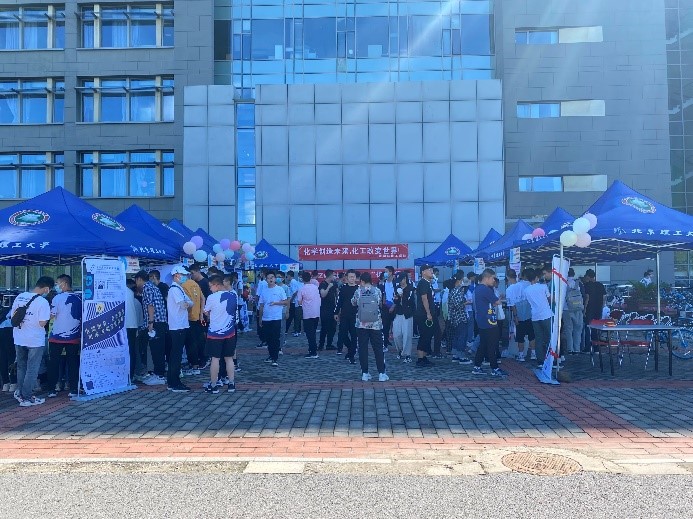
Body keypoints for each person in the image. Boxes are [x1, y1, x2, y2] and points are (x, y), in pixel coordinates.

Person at [11, 276, 53, 406]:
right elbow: (42, 323)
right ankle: (27, 397)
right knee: (32, 369)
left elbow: (13, 316)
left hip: (19, 337)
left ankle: (20, 393)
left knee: (21, 366)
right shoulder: (43, 302)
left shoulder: (20, 297)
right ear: (46, 289)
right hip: (34, 340)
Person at [47, 275, 82, 398]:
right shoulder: (79, 298)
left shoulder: (57, 298)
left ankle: (51, 389)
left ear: (64, 284)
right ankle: (73, 389)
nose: (56, 286)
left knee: (54, 363)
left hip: (57, 336)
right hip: (74, 336)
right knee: (73, 363)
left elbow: (51, 315)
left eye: (57, 283)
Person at [203, 275, 238, 393]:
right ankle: (231, 383)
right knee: (229, 358)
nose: (210, 289)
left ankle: (214, 385)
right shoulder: (233, 295)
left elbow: (206, 312)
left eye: (210, 286)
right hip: (230, 332)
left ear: (217, 285)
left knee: (215, 359)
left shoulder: (211, 297)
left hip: (215, 333)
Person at [351, 272, 388, 381]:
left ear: (362, 281)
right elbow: (380, 303)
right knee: (378, 348)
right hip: (375, 324)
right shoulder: (377, 291)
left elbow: (353, 303)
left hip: (361, 324)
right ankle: (381, 373)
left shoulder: (358, 291)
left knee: (363, 348)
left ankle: (365, 373)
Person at [471, 269, 507, 377]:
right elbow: (496, 302)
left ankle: (477, 366)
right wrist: (500, 299)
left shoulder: (478, 288)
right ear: (486, 278)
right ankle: (494, 368)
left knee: (483, 344)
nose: (494, 280)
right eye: (492, 278)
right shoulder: (486, 289)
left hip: (482, 320)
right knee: (492, 344)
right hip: (489, 320)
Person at [135, 270, 167, 386]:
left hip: (155, 322)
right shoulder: (153, 286)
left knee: (157, 349)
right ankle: (158, 373)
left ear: (139, 279)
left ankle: (159, 375)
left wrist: (150, 322)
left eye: (136, 281)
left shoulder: (147, 288)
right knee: (157, 349)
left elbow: (150, 305)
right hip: (160, 321)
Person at [166, 266, 193, 392]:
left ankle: (173, 381)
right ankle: (174, 382)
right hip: (177, 326)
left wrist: (187, 303)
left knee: (176, 355)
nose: (185, 277)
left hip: (181, 325)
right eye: (183, 275)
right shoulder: (174, 289)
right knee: (176, 356)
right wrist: (186, 304)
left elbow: (190, 302)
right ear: (176, 275)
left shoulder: (179, 288)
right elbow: (183, 305)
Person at [258, 271, 289, 366]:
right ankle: (271, 355)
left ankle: (275, 358)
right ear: (266, 280)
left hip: (276, 318)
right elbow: (261, 305)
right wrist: (260, 318)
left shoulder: (280, 289)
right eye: (268, 278)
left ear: (275, 279)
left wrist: (276, 303)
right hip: (266, 318)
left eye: (272, 277)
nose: (270, 279)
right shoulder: (264, 291)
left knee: (275, 338)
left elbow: (286, 302)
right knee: (268, 339)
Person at [524, 268, 553, 366]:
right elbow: (550, 299)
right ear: (536, 277)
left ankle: (540, 360)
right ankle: (550, 358)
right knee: (549, 337)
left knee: (538, 338)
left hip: (535, 316)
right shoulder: (543, 286)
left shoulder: (526, 290)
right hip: (546, 314)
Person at [505, 269, 534, 362]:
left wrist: (515, 316)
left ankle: (521, 355)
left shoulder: (509, 289)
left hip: (518, 313)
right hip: (528, 311)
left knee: (520, 336)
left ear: (507, 277)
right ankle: (533, 353)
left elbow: (512, 304)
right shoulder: (523, 284)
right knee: (531, 334)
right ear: (516, 276)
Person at [182, 271, 204, 375]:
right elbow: (203, 298)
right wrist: (201, 313)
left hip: (188, 318)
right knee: (197, 341)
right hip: (197, 317)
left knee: (190, 343)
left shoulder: (183, 286)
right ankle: (197, 363)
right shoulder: (195, 284)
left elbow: (185, 303)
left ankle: (194, 366)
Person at [334, 269, 359, 362]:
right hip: (344, 315)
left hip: (355, 316)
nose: (352, 278)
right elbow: (339, 301)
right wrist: (336, 312)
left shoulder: (359, 289)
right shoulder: (343, 288)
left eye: (353, 277)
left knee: (354, 336)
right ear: (347, 278)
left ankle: (351, 355)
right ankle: (351, 349)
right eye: (350, 277)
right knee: (342, 334)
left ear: (356, 278)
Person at [448, 272, 472, 365]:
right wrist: (466, 302)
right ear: (459, 281)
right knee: (462, 336)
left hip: (454, 317)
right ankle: (461, 356)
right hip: (460, 317)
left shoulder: (453, 290)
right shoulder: (458, 290)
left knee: (457, 336)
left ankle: (456, 355)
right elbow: (458, 305)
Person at [415, 264, 435, 367]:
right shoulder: (423, 283)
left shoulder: (428, 283)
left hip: (428, 314)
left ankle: (424, 357)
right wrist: (428, 313)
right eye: (429, 270)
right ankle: (420, 359)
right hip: (423, 314)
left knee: (428, 335)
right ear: (423, 272)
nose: (431, 271)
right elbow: (424, 299)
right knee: (424, 335)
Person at [392, 272, 415, 362]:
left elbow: (410, 302)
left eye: (401, 280)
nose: (400, 282)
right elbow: (395, 301)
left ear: (405, 279)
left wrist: (402, 297)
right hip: (398, 313)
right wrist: (396, 299)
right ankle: (400, 350)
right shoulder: (397, 288)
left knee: (407, 335)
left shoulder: (410, 289)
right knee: (396, 335)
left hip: (407, 314)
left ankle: (407, 354)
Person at [297, 271, 321, 358]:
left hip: (307, 313)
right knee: (313, 332)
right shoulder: (315, 287)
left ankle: (313, 351)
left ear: (302, 279)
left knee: (309, 334)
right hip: (316, 312)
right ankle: (312, 349)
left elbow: (299, 302)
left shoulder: (301, 289)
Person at [562, 268, 585, 355]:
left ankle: (570, 349)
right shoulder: (578, 283)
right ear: (573, 274)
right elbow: (583, 295)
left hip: (566, 309)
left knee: (568, 329)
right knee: (578, 329)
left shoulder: (563, 283)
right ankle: (577, 349)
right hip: (578, 308)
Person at [584, 269, 606, 352]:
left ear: (587, 276)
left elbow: (587, 298)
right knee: (596, 328)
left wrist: (584, 309)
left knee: (588, 328)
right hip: (598, 309)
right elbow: (604, 298)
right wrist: (602, 307)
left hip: (590, 309)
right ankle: (596, 348)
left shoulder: (587, 285)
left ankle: (588, 347)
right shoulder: (600, 285)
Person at [125, 278, 144, 381]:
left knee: (129, 351)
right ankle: (131, 375)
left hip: (126, 326)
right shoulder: (130, 294)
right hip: (132, 326)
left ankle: (129, 375)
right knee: (132, 351)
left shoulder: (122, 291)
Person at [318, 269, 338, 351]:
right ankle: (321, 345)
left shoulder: (335, 284)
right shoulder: (323, 284)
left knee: (333, 328)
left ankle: (329, 344)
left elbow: (337, 295)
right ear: (330, 276)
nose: (335, 277)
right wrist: (329, 287)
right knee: (324, 328)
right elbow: (323, 295)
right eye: (334, 275)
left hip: (333, 309)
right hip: (325, 309)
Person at [381, 266, 396, 352]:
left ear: (391, 272)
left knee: (396, 327)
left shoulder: (395, 283)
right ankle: (385, 344)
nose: (385, 273)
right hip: (386, 307)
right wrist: (383, 303)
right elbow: (383, 293)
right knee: (385, 326)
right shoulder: (384, 283)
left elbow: (398, 295)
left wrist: (394, 305)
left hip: (395, 306)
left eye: (386, 271)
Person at [285, 271, 302, 337]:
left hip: (294, 302)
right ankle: (297, 330)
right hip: (295, 302)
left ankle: (287, 330)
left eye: (287, 276)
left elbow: (295, 292)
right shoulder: (294, 282)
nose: (287, 278)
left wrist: (291, 300)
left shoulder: (293, 282)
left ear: (289, 276)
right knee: (295, 317)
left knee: (290, 317)